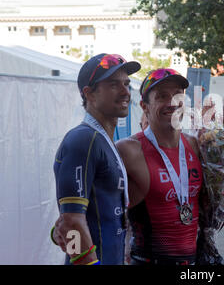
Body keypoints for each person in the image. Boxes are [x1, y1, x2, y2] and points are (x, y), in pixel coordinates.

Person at [51, 53, 141, 265]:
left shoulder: (102, 141)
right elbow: (71, 222)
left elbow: (67, 225)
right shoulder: (82, 139)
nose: (125, 92)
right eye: (113, 84)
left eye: (126, 84)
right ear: (89, 93)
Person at [116, 69, 203, 265]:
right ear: (144, 106)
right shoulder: (128, 150)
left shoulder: (195, 145)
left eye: (178, 95)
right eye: (162, 96)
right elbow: (105, 208)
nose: (172, 102)